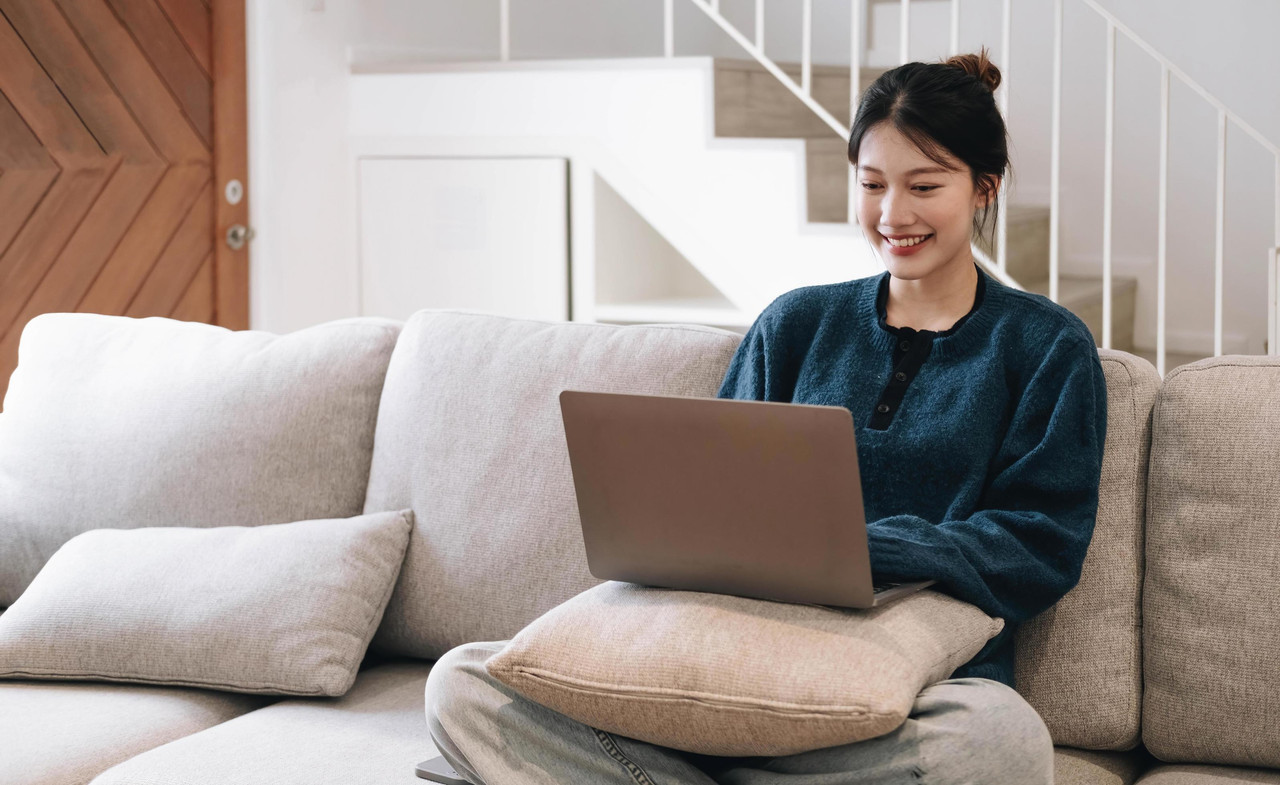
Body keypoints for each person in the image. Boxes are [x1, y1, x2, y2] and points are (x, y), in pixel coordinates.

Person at [423, 46, 1107, 785]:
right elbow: (714, 494)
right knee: (463, 684)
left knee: (998, 739)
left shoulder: (1045, 345)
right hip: (737, 653)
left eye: (924, 186)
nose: (892, 214)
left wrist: (862, 550)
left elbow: (1039, 542)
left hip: (910, 680)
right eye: (871, 184)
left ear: (983, 188)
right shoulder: (796, 323)